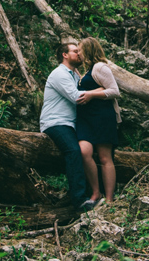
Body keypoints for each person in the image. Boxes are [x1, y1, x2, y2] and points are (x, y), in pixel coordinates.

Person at [40, 41, 96, 211]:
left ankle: (95, 192)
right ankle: (79, 201)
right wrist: (101, 91)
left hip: (71, 123)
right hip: (55, 122)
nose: (79, 54)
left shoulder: (73, 75)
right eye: (75, 51)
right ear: (65, 55)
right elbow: (76, 97)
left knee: (89, 150)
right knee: (73, 151)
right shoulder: (59, 74)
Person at [75, 37, 121, 204]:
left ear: (88, 50)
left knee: (104, 157)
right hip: (86, 120)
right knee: (84, 151)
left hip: (102, 117)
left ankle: (109, 199)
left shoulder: (100, 67)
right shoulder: (88, 70)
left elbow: (115, 91)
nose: (78, 53)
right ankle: (96, 193)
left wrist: (91, 94)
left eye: (80, 50)